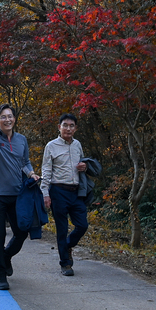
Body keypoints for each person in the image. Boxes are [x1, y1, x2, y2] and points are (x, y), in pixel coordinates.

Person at [0, 104, 39, 290]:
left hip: (17, 194)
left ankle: (5, 257)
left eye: (10, 116)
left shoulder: (21, 139)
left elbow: (25, 162)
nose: (7, 119)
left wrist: (31, 174)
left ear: (14, 118)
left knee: (22, 232)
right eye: (3, 117)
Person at [41, 113, 99, 276]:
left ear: (75, 128)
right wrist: (45, 192)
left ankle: (67, 246)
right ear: (59, 127)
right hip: (58, 191)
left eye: (71, 125)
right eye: (65, 125)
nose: (68, 128)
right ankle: (65, 263)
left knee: (82, 225)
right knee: (62, 228)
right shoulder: (51, 146)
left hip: (76, 192)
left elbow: (81, 165)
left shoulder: (77, 145)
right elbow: (46, 170)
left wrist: (84, 167)